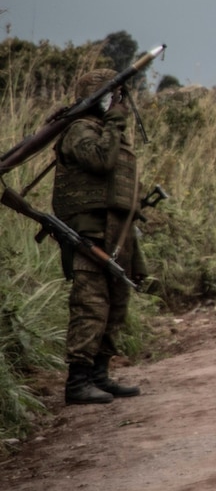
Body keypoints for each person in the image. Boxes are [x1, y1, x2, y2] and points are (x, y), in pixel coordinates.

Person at [51, 68, 145, 403]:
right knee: (90, 306)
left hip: (115, 233)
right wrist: (116, 122)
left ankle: (100, 375)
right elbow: (102, 161)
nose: (118, 102)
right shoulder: (79, 130)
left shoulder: (105, 130)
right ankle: (77, 383)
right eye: (112, 95)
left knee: (116, 306)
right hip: (88, 235)